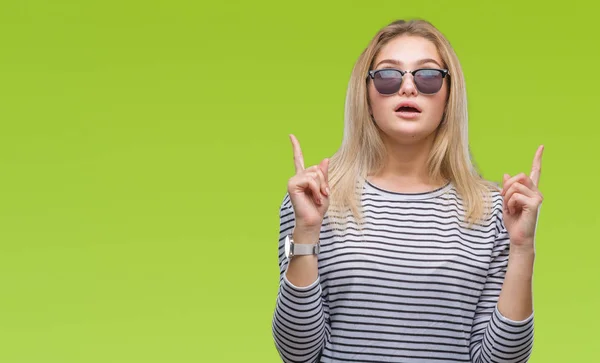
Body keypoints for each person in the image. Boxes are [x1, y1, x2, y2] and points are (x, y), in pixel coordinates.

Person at [271, 19, 543, 363]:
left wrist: (522, 250)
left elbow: (500, 360)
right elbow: (298, 353)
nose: (408, 88)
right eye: (388, 76)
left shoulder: (494, 210)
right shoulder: (315, 199)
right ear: (366, 95)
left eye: (428, 76)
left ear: (449, 95)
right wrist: (306, 231)